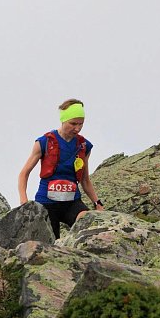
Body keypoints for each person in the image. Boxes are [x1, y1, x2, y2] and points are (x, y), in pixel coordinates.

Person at [18, 98, 105, 238]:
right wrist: (24, 200)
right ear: (63, 120)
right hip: (46, 203)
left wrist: (97, 203)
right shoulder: (44, 142)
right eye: (73, 123)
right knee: (51, 245)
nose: (77, 128)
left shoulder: (84, 146)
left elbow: (85, 180)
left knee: (87, 223)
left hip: (72, 202)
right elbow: (24, 173)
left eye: (81, 124)